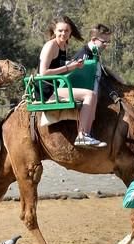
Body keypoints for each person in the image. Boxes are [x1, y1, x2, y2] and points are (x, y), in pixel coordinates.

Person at [38, 15, 106, 148]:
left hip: (55, 86)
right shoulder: (51, 46)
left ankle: (87, 134)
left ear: (70, 33)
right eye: (60, 31)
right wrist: (70, 67)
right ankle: (82, 135)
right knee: (89, 95)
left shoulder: (63, 46)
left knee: (93, 94)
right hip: (46, 89)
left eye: (66, 31)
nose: (63, 33)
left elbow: (58, 68)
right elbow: (43, 73)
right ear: (54, 31)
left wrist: (76, 65)